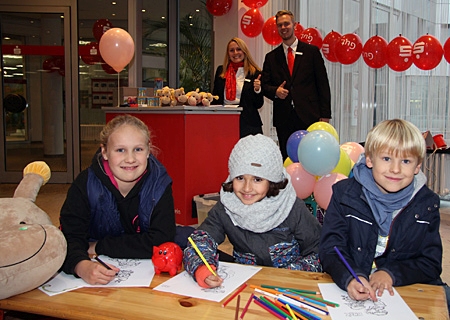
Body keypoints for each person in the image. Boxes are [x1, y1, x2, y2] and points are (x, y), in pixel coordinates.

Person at [319, 119, 444, 302]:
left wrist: (390, 273)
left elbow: (430, 262)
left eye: (406, 161)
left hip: (405, 289)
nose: (395, 169)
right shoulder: (344, 194)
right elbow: (331, 248)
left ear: (417, 166)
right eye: (386, 159)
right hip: (355, 285)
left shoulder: (427, 204)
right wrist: (351, 276)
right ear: (369, 160)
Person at [183, 134, 322, 288]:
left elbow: (319, 250)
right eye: (240, 178)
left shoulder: (291, 207)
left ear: (272, 180)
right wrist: (203, 269)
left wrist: (290, 275)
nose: (247, 188)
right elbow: (200, 240)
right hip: (246, 288)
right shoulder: (227, 206)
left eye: (257, 179)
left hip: (289, 289)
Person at [59, 114, 176, 285]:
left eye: (138, 149)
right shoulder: (85, 185)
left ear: (149, 150)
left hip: (144, 274)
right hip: (91, 269)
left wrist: (99, 246)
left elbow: (161, 240)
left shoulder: (160, 184)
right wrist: (81, 266)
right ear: (104, 152)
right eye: (120, 150)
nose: (130, 159)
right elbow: (68, 237)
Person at [261, 10, 331, 160]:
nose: (283, 27)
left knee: (311, 158)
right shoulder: (271, 57)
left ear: (294, 25)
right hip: (284, 117)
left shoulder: (312, 52)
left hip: (310, 116)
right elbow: (264, 85)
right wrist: (276, 91)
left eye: (286, 23)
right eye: (280, 25)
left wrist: (325, 115)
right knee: (287, 158)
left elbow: (323, 85)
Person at [212, 37, 264, 137]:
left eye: (239, 49)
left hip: (248, 124)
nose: (235, 53)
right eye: (231, 50)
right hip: (225, 121)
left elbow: (258, 104)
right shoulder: (221, 71)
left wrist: (258, 90)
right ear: (228, 54)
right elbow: (216, 98)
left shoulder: (255, 73)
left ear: (244, 51)